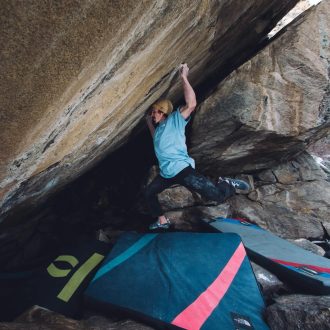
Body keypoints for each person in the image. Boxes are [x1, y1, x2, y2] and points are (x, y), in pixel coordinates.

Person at [145, 63, 250, 230]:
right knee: (148, 193)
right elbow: (154, 138)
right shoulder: (158, 131)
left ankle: (227, 183)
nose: (152, 115)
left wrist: (184, 78)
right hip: (166, 173)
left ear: (163, 111)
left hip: (182, 170)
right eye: (152, 113)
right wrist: (148, 122)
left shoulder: (174, 120)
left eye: (154, 112)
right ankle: (162, 221)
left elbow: (191, 104)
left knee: (215, 196)